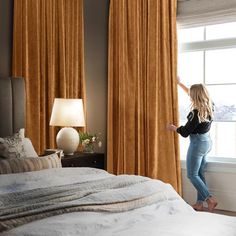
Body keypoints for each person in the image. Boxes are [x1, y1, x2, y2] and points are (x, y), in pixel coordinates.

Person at [167, 76, 218, 212]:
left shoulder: (195, 114)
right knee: (199, 173)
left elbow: (184, 132)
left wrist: (174, 128)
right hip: (207, 142)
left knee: (192, 174)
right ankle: (200, 204)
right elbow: (190, 92)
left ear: (196, 97)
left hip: (197, 144)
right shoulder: (210, 105)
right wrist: (180, 83)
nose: (189, 96)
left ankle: (209, 199)